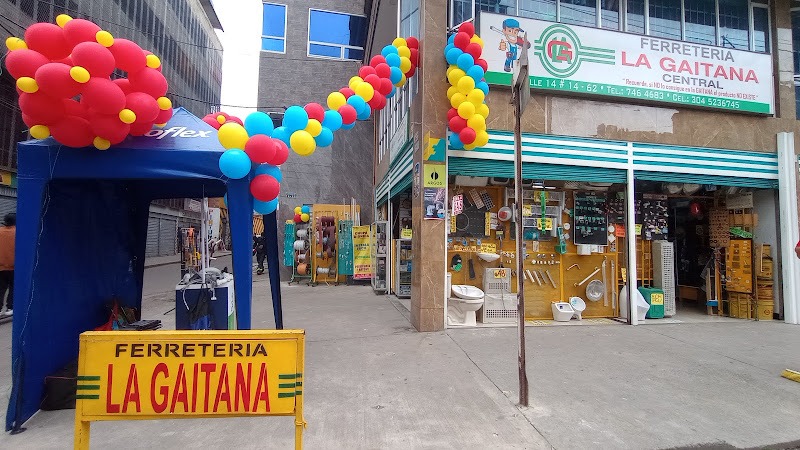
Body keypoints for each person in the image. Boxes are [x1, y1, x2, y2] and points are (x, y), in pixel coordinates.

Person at [0, 213, 15, 317]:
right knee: (13, 287)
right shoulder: (18, 232)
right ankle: (10, 307)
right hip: (14, 267)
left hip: (1, 267)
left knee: (1, 288)